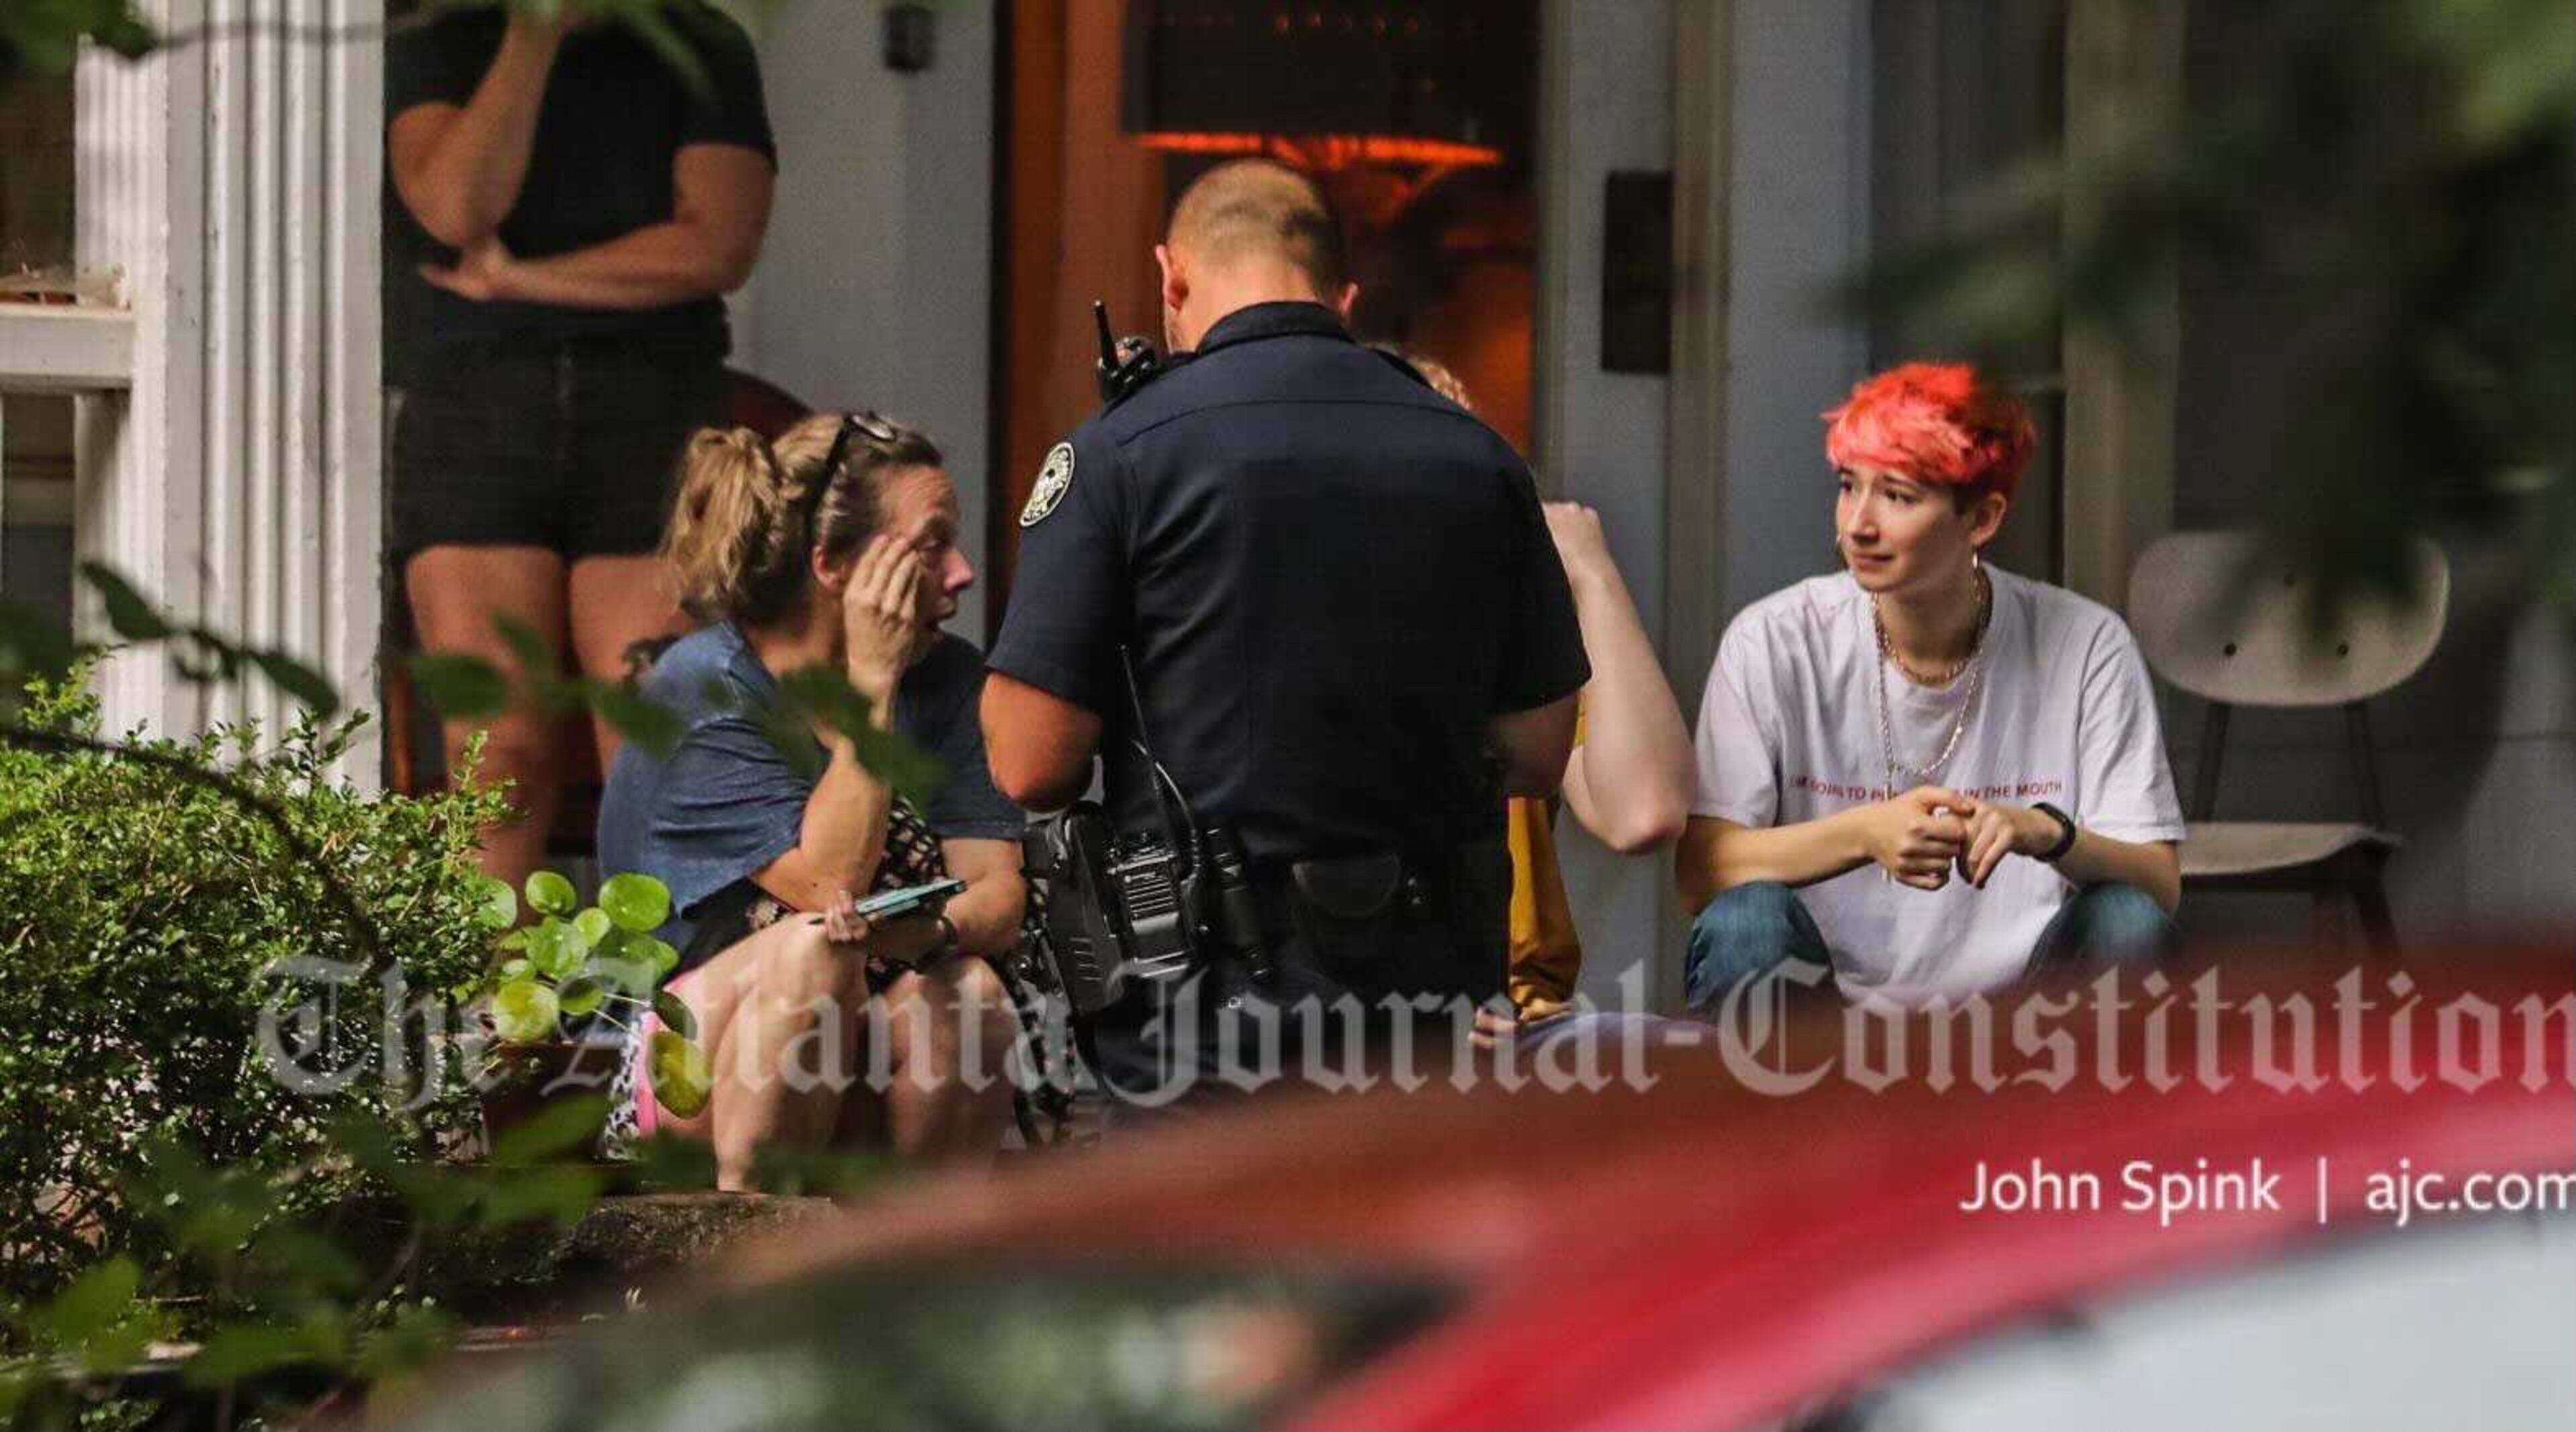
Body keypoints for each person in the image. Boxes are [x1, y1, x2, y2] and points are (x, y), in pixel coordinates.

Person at [981, 159, 1591, 1111]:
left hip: (1199, 1013)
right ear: (1333, 282)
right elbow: (1540, 746)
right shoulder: (1474, 454)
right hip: (1424, 1010)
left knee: (1202, 1259)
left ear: (1170, 277)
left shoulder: (1120, 452)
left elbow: (1029, 760)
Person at [385, 1, 775, 892]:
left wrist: (524, 278)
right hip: (477, 410)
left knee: (656, 739)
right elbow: (454, 204)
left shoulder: (700, 43)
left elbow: (717, 241)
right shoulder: (439, 46)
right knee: (498, 755)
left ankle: (668, 1021)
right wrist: (534, 35)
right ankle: (494, 1028)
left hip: (652, 413)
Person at [596, 413, 1024, 1187]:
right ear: (833, 566)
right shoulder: (702, 691)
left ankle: (917, 1272)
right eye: (931, 543)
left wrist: (922, 936)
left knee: (970, 991)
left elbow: (997, 893)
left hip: (860, 1042)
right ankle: (750, 1245)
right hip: (682, 1077)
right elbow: (833, 888)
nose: (961, 572)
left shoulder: (951, 678)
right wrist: (872, 685)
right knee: (814, 949)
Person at [1676, 362, 2184, 1010]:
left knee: (2127, 921)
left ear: (1982, 519)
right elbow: (1700, 871)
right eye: (1848, 486)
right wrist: (1866, 834)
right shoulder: (1775, 639)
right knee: (1743, 920)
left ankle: (2085, 1113)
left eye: (1898, 496)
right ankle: (1780, 1114)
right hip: (1823, 1014)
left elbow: (2158, 885)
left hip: (2025, 1015)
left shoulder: (2086, 645)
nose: (1858, 524)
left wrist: (2046, 833)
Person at [1379, 352, 1691, 1045]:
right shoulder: (1329, 645)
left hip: (1523, 1025)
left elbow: (1645, 809)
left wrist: (1588, 569)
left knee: (1702, 1061)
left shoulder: (1507, 648)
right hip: (1375, 1024)